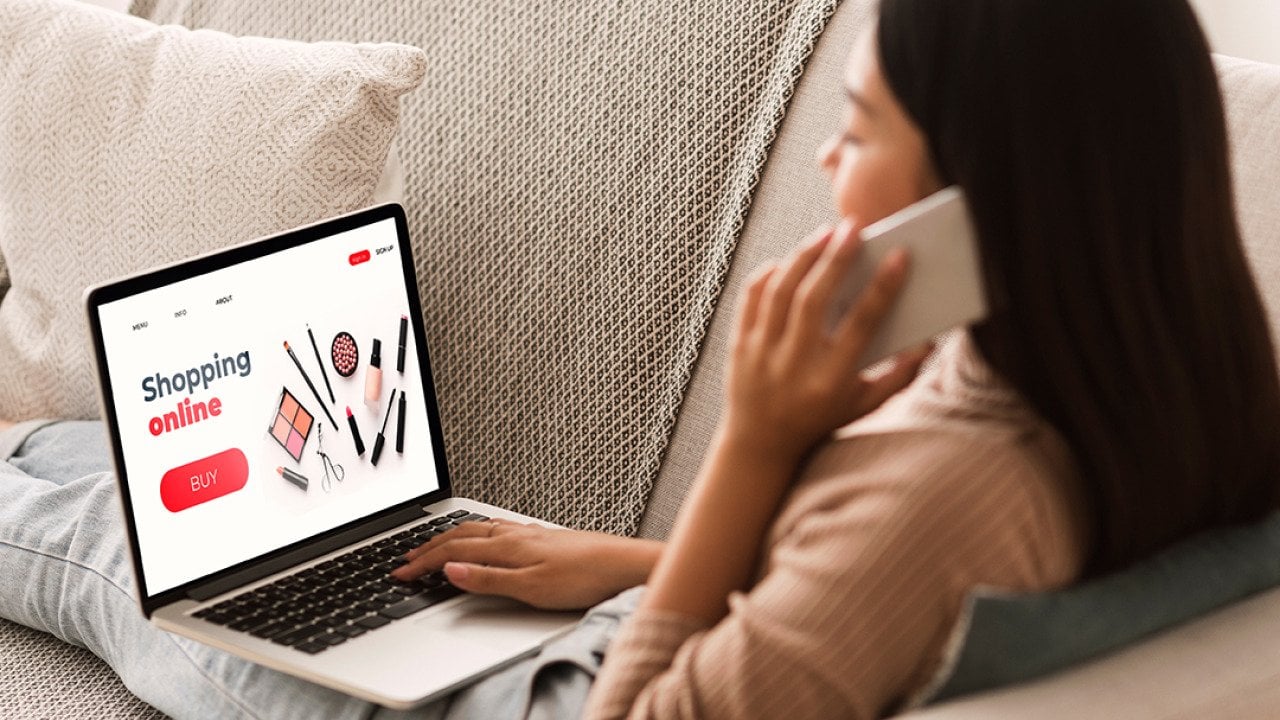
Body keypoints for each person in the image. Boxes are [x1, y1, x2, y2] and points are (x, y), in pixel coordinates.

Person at [3, 0, 1278, 717]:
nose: (831, 167)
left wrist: (756, 441)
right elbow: (881, 601)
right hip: (663, 626)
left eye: (857, 128)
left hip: (559, 700)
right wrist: (636, 560)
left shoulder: (943, 480)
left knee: (127, 552)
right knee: (129, 478)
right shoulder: (1143, 389)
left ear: (981, 189)